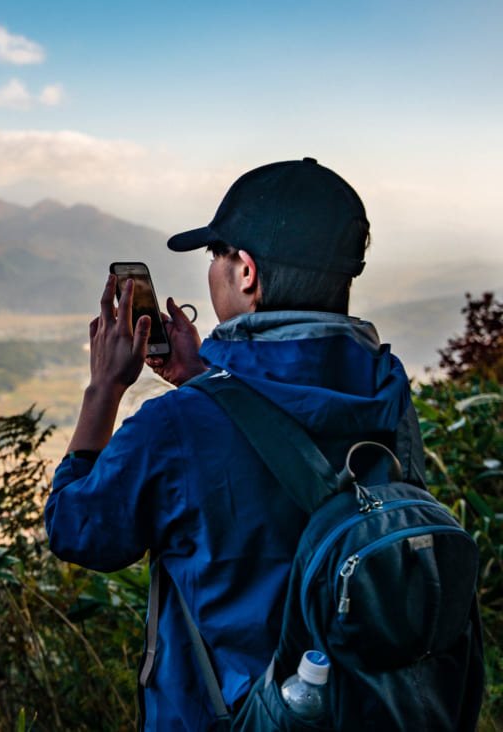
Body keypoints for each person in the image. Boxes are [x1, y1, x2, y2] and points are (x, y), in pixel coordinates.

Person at [44, 158, 425, 731]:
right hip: (371, 710)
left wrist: (103, 389)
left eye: (215, 255)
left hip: (238, 716)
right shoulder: (388, 392)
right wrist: (207, 381)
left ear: (246, 272)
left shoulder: (175, 426)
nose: (212, 270)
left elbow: (77, 529)